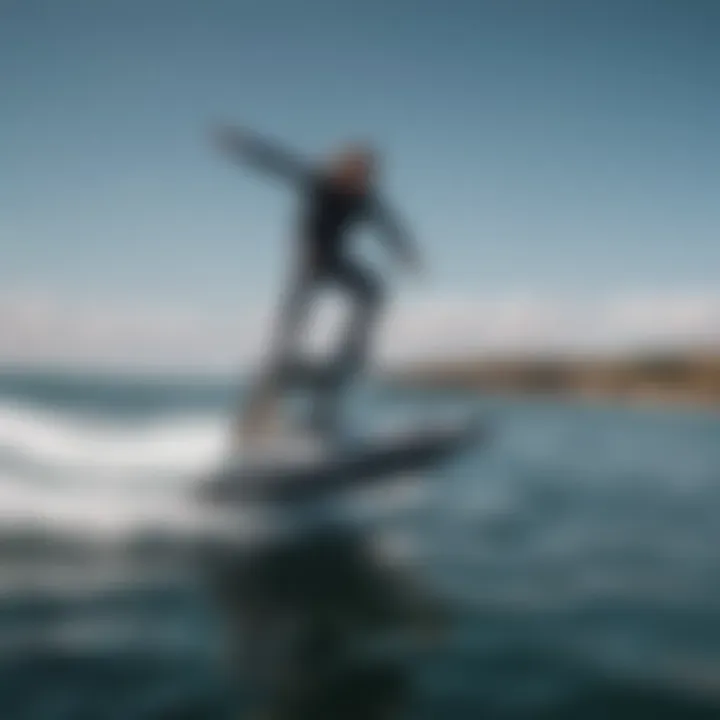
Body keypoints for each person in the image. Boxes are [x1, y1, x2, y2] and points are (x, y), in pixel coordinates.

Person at [214, 126, 421, 440]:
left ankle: (328, 398)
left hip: (336, 262)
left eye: (367, 174)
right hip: (307, 266)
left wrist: (407, 254)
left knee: (373, 291)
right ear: (343, 167)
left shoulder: (366, 199)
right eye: (357, 172)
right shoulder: (320, 181)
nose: (361, 180)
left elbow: (389, 225)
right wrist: (243, 145)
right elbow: (277, 162)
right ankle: (250, 423)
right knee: (285, 342)